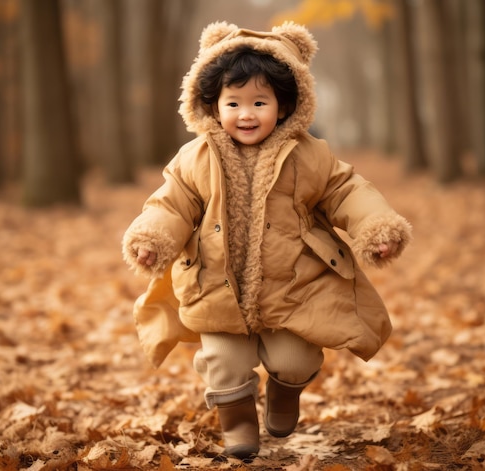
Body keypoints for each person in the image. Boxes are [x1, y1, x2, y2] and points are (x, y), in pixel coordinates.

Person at [122, 21, 412, 460]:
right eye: (233, 102)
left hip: (295, 289)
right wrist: (152, 237)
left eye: (260, 102)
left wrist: (376, 228)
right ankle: (237, 420)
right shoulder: (195, 159)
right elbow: (171, 204)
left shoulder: (309, 155)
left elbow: (348, 191)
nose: (246, 114)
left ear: (285, 104)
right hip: (217, 290)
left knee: (296, 359)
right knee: (224, 363)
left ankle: (285, 390)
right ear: (212, 105)